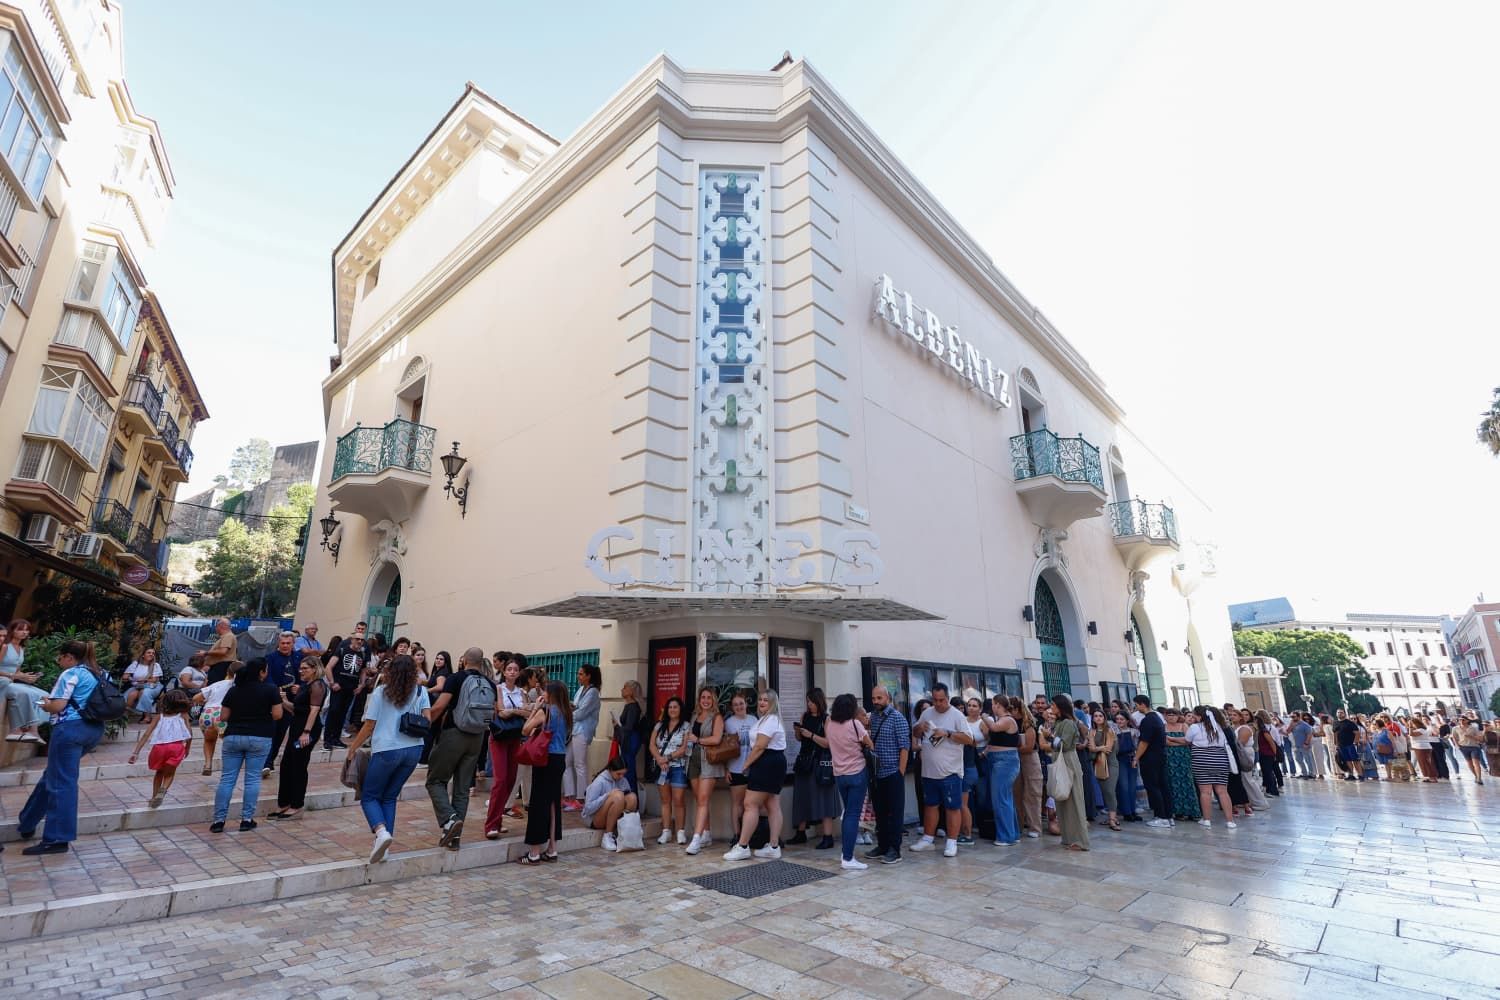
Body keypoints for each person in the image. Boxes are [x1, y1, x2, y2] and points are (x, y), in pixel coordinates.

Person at [12, 641, 106, 855]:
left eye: (60, 657)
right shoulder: (99, 673)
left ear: (70, 657)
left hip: (70, 729)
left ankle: (57, 839)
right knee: (54, 776)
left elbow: (58, 705)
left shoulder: (71, 674)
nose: (58, 661)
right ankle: (27, 822)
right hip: (93, 730)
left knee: (62, 782)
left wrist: (45, 703)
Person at [346, 653, 430, 863]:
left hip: (387, 749)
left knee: (369, 796)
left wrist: (352, 748)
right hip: (413, 749)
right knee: (390, 796)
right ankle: (384, 848)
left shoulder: (381, 692)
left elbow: (369, 724)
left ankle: (381, 832)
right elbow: (428, 719)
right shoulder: (421, 691)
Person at [424, 647, 494, 849]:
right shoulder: (490, 683)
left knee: (435, 780)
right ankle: (454, 839)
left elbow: (440, 706)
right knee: (462, 790)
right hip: (477, 738)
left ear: (464, 659)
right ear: (481, 662)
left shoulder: (456, 678)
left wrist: (426, 726)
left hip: (454, 734)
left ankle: (449, 819)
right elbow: (493, 715)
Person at [209, 657, 281, 833]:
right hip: (260, 736)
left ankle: (219, 820)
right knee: (252, 779)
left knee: (227, 779)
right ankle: (246, 819)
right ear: (262, 672)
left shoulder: (235, 690)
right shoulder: (270, 690)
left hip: (234, 736)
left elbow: (224, 716)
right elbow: (278, 715)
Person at [910, 682, 972, 858]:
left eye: (942, 700)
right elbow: (915, 733)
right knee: (930, 805)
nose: (938, 704)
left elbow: (969, 739)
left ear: (947, 698)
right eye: (935, 700)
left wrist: (948, 733)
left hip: (950, 771)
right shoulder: (926, 713)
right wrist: (919, 728)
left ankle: (952, 841)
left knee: (953, 807)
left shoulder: (957, 716)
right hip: (929, 771)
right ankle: (928, 838)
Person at [724, 689, 788, 861]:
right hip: (771, 762)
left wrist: (746, 764)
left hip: (767, 762)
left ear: (773, 703)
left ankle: (743, 846)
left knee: (750, 804)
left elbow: (759, 746)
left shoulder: (770, 720)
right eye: (760, 700)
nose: (761, 703)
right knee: (772, 804)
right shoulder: (765, 719)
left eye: (766, 700)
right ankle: (773, 846)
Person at [518, 680, 571, 864]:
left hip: (545, 759)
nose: (543, 693)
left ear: (551, 694)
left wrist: (536, 708)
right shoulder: (566, 712)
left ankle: (533, 852)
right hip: (559, 759)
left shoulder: (545, 711)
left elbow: (525, 729)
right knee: (553, 804)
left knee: (538, 803)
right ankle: (552, 849)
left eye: (546, 691)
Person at [268, 655, 327, 820]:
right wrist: (284, 700)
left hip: (306, 730)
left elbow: (314, 710)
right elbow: (296, 709)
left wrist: (306, 733)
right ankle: (285, 803)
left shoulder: (317, 685)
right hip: (296, 727)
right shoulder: (305, 686)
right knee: (287, 764)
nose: (301, 671)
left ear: (314, 669)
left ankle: (296, 805)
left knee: (298, 766)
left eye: (305, 668)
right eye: (300, 668)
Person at [824, 692, 872, 869]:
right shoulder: (855, 723)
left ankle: (847, 854)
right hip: (857, 773)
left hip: (839, 775)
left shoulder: (830, 725)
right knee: (853, 815)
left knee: (847, 813)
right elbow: (870, 744)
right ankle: (848, 857)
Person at [863, 685, 910, 865]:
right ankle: (882, 845)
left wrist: (901, 772)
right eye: (874, 698)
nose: (876, 702)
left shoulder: (897, 718)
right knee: (880, 812)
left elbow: (904, 747)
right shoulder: (873, 717)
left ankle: (895, 850)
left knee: (895, 813)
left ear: (887, 698)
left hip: (893, 772)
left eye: (879, 698)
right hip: (877, 773)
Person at [484, 655, 529, 839]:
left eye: (515, 670)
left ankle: (498, 820)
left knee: (510, 780)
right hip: (500, 737)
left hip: (515, 737)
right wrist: (516, 712)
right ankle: (491, 824)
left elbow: (527, 712)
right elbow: (501, 712)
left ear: (519, 673)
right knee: (501, 780)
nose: (512, 672)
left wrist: (514, 711)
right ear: (504, 672)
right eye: (509, 669)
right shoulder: (498, 689)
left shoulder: (522, 692)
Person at [790, 688, 839, 849]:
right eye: (807, 701)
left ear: (819, 701)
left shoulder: (827, 719)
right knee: (801, 797)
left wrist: (810, 735)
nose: (809, 705)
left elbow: (829, 743)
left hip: (820, 763)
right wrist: (799, 732)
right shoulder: (805, 716)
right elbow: (799, 739)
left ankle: (827, 836)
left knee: (823, 799)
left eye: (811, 702)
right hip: (804, 761)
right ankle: (800, 832)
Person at [129, 689, 193, 809]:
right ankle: (163, 790)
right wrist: (187, 748)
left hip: (159, 748)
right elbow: (189, 733)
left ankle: (153, 797)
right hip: (176, 747)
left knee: (159, 772)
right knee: (170, 773)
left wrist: (136, 752)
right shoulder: (184, 715)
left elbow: (146, 734)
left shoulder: (159, 716)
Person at [684, 687, 726, 854]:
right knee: (699, 799)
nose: (706, 700)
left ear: (713, 700)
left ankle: (696, 838)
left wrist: (698, 740)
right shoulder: (695, 715)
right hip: (693, 760)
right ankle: (706, 834)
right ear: (699, 699)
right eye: (703, 697)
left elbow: (716, 739)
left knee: (702, 799)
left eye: (709, 697)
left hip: (708, 761)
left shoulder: (717, 717)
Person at [1185, 706, 1238, 828]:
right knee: (1223, 792)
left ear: (1199, 716)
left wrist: (1172, 739)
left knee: (1205, 792)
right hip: (1220, 761)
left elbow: (1187, 740)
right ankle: (1230, 821)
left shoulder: (1195, 727)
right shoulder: (1219, 727)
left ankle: (1207, 820)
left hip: (1202, 761)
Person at [1049, 693, 1089, 851]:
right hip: (1060, 761)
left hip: (1068, 761)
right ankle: (1068, 837)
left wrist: (1049, 737)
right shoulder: (1059, 722)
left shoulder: (1068, 723)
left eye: (1053, 705)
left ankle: (1080, 840)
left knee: (1074, 801)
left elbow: (1063, 744)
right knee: (1062, 801)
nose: (1051, 708)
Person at [262, 631, 302, 778]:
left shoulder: (299, 657)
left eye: (288, 643)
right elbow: (267, 677)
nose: (285, 646)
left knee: (280, 734)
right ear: (278, 643)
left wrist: (300, 687)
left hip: (291, 702)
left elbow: (304, 675)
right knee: (271, 731)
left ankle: (270, 761)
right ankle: (265, 762)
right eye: (282, 643)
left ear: (293, 644)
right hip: (274, 701)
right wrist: (275, 690)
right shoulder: (270, 658)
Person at [650, 696, 690, 844]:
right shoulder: (659, 725)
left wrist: (666, 758)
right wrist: (660, 760)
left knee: (679, 800)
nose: (672, 710)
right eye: (670, 707)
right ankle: (666, 831)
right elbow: (652, 745)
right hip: (661, 767)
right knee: (665, 800)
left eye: (675, 707)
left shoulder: (686, 726)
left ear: (680, 709)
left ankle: (680, 832)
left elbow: (684, 748)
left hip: (678, 766)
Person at [983, 695, 1022, 845]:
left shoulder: (1007, 720)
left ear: (997, 705)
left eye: (993, 704)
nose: (992, 707)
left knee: (1000, 800)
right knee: (1006, 799)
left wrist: (984, 716)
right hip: (998, 760)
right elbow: (992, 737)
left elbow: (993, 728)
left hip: (1005, 761)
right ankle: (1013, 834)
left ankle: (1005, 837)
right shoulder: (1001, 720)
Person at [0, 620, 47, 742]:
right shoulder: (5, 646)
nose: (24, 632)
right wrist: (15, 676)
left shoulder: (21, 648)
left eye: (27, 630)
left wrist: (27, 677)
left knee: (43, 695)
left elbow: (17, 671)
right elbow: (12, 673)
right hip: (3, 680)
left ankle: (32, 731)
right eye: (20, 629)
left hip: (12, 680)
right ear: (12, 631)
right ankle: (21, 730)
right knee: (27, 693)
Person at [563, 664, 601, 811]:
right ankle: (570, 795)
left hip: (583, 731)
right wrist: (572, 707)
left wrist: (568, 713)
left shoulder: (593, 693)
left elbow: (581, 713)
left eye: (580, 674)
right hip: (575, 730)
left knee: (580, 764)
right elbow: (577, 707)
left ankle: (581, 798)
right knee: (566, 762)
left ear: (588, 676)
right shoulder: (581, 689)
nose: (578, 676)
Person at [1133, 695, 1174, 828]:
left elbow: (1144, 742)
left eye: (1137, 705)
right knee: (1163, 786)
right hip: (1160, 756)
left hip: (1150, 758)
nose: (1136, 707)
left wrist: (1136, 757)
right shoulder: (1157, 718)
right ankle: (1167, 815)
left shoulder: (1148, 720)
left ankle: (1161, 816)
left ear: (1142, 704)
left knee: (1153, 786)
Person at [583, 756, 637, 851]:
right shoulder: (599, 781)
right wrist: (607, 796)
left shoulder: (622, 780)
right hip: (594, 819)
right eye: (618, 774)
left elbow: (628, 798)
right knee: (618, 796)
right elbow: (588, 809)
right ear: (610, 770)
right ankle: (607, 836)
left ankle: (625, 832)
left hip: (612, 816)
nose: (621, 777)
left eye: (623, 774)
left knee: (632, 797)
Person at [324, 632, 367, 750]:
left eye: (362, 640)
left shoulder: (363, 654)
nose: (359, 642)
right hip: (339, 687)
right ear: (352, 639)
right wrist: (332, 682)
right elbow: (328, 667)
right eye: (357, 639)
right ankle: (327, 739)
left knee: (343, 714)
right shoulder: (342, 650)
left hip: (351, 689)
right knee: (333, 712)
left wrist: (361, 685)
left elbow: (363, 670)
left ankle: (336, 739)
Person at [723, 691, 756, 835]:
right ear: (732, 707)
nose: (739, 707)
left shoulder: (754, 720)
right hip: (736, 768)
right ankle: (737, 835)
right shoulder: (728, 723)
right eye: (735, 704)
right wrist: (726, 769)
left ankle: (751, 834)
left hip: (754, 767)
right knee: (737, 804)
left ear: (746, 704)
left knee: (753, 804)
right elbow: (724, 749)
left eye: (741, 703)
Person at [1012, 697, 1044, 837]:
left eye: (1011, 709)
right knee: (1016, 793)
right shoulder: (1009, 722)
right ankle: (1018, 825)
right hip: (1015, 759)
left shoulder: (1028, 723)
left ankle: (1035, 827)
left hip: (1029, 759)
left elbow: (1029, 747)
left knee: (1032, 792)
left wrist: (1010, 747)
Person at [1164, 709, 1200, 819]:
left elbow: (1188, 740)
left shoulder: (1183, 726)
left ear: (1178, 716)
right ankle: (1178, 811)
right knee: (1173, 783)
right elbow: (1166, 742)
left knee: (1187, 782)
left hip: (1184, 757)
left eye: (1173, 715)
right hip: (1170, 757)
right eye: (1169, 715)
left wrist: (1174, 740)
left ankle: (1192, 812)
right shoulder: (1163, 727)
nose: (1171, 717)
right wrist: (1180, 742)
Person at [1088, 709, 1120, 831]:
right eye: (1095, 716)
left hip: (1111, 763)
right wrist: (1099, 748)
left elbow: (1110, 749)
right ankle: (1112, 816)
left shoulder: (1110, 731)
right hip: (1098, 764)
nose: (1098, 718)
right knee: (1105, 791)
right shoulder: (1092, 732)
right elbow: (1091, 750)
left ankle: (1112, 819)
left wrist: (1097, 748)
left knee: (1110, 790)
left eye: (1100, 715)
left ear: (1104, 717)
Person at [421, 649, 454, 765]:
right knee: (432, 732)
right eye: (437, 658)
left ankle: (423, 759)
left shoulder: (442, 673)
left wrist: (426, 691)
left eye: (441, 659)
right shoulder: (438, 672)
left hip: (436, 704)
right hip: (436, 703)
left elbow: (440, 687)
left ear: (446, 662)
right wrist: (423, 682)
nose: (438, 661)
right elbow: (432, 683)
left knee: (430, 732)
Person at [617, 678, 647, 795]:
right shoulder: (630, 706)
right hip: (629, 738)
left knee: (628, 770)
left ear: (631, 691)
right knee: (628, 768)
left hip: (631, 739)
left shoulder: (633, 707)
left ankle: (632, 801)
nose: (622, 690)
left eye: (625, 687)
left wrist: (617, 727)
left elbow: (629, 727)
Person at [1113, 711, 1140, 822]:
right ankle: (1126, 812)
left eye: (1122, 719)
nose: (1119, 721)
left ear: (1127, 721)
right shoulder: (1113, 731)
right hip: (1120, 759)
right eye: (1117, 719)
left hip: (1131, 758)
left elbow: (1137, 746)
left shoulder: (1134, 732)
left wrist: (1136, 758)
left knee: (1132, 786)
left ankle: (1133, 810)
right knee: (1123, 786)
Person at [123, 647, 164, 718]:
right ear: (143, 655)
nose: (151, 654)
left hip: (153, 686)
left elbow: (154, 680)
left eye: (153, 653)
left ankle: (147, 717)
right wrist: (132, 679)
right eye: (149, 652)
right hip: (137, 686)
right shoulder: (136, 664)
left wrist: (144, 680)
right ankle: (124, 715)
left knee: (145, 693)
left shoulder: (156, 665)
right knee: (131, 694)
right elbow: (125, 676)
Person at [202, 617, 237, 684]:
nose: (216, 628)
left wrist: (206, 653)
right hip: (219, 667)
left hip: (220, 667)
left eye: (216, 626)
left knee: (214, 687)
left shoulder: (228, 636)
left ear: (221, 626)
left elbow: (222, 651)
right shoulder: (227, 636)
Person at [1332, 709, 1361, 782]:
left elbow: (1357, 733)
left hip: (1350, 744)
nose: (1340, 714)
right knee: (1347, 760)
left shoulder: (1350, 723)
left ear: (1344, 714)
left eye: (1341, 712)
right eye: (1338, 712)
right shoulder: (1335, 723)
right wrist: (1336, 744)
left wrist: (1355, 742)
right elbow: (1335, 734)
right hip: (1341, 745)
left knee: (1355, 760)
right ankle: (1351, 774)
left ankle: (1360, 775)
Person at [1455, 714, 1485, 784]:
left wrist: (1471, 736)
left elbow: (1480, 738)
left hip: (1474, 746)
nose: (1461, 721)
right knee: (1469, 763)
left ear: (1467, 721)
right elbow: (1455, 737)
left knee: (1476, 762)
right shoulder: (1455, 728)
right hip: (1463, 747)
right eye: (1460, 720)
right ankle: (1476, 776)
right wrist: (1457, 745)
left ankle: (1479, 778)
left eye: (1463, 720)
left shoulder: (1473, 728)